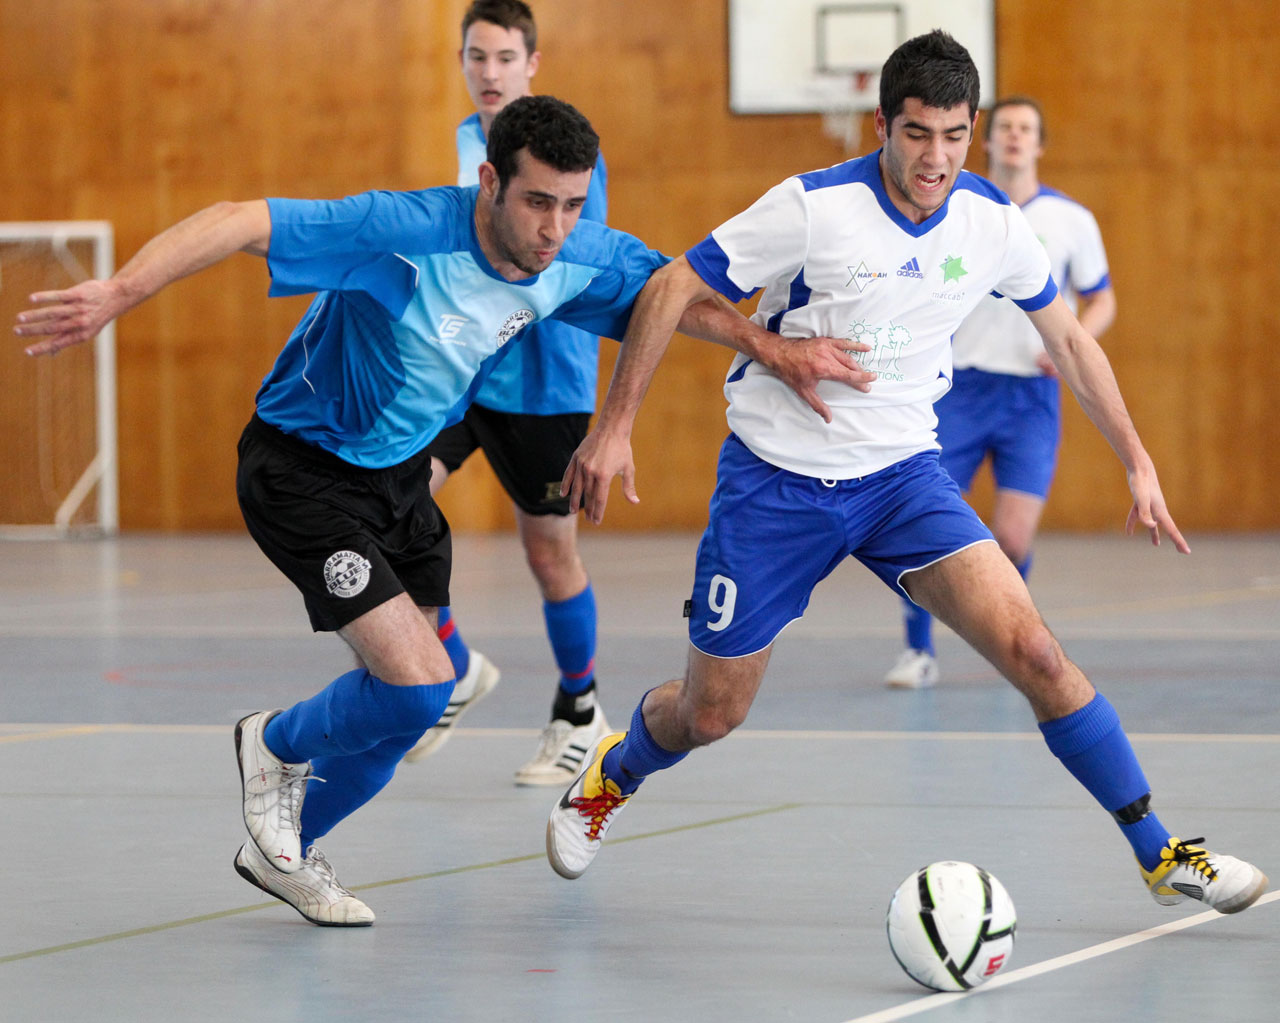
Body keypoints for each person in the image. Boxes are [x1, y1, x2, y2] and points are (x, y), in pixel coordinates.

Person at [14, 95, 869, 927]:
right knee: (421, 683)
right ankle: (273, 742)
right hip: (301, 470)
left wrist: (772, 346)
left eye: (572, 205)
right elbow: (241, 219)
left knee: (418, 698)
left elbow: (668, 290)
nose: (554, 228)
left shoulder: (569, 255)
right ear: (490, 182)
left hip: (398, 484)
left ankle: (290, 849)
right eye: (538, 201)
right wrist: (121, 292)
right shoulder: (400, 232)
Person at [544, 31, 1267, 917]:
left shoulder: (994, 222)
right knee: (710, 713)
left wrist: (1140, 461)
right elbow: (667, 287)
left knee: (1037, 650)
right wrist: (615, 426)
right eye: (918, 133)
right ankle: (612, 774)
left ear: (974, 131)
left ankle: (1160, 853)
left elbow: (1071, 339)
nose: (936, 158)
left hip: (903, 481)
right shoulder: (811, 208)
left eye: (954, 135)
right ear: (882, 123)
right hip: (778, 482)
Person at [404, 0, 615, 787]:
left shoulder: (565, 153)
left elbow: (568, 267)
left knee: (548, 550)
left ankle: (581, 709)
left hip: (543, 381)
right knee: (390, 496)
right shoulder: (470, 142)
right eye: (476, 56)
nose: (488, 72)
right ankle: (454, 662)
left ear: (532, 64)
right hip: (464, 371)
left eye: (503, 57)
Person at [885, 94, 1117, 689]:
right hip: (958, 391)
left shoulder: (1072, 220)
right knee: (925, 528)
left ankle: (1010, 636)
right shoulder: (955, 208)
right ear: (986, 139)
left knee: (1011, 539)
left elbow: (1102, 297)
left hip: (1030, 399)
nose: (1015, 137)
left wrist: (1072, 344)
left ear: (1040, 144)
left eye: (1027, 130)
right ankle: (918, 650)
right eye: (1006, 127)